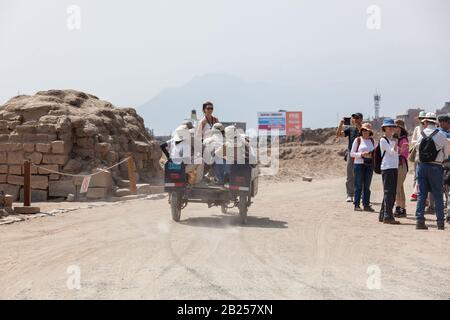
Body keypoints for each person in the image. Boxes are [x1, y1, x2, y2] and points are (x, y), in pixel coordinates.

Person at [415, 113, 448, 230]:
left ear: (426, 122)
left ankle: (419, 221)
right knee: (438, 194)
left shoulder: (421, 134)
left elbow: (417, 150)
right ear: (436, 122)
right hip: (436, 166)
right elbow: (447, 154)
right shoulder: (441, 135)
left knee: (421, 194)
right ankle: (440, 222)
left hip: (422, 166)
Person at [336, 113, 363, 203]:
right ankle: (350, 194)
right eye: (353, 118)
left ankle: (360, 194)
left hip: (361, 154)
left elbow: (363, 133)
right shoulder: (350, 129)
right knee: (350, 174)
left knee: (361, 175)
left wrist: (358, 125)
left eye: (357, 118)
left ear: (361, 119)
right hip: (351, 153)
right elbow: (339, 134)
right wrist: (340, 124)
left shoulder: (364, 128)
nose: (354, 119)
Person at [350, 123, 376, 212]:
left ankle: (366, 204)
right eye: (364, 130)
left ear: (370, 132)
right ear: (361, 131)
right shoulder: (357, 140)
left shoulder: (372, 141)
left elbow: (376, 153)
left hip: (369, 165)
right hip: (359, 165)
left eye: (367, 131)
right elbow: (351, 153)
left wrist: (371, 156)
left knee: (367, 186)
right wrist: (361, 154)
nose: (365, 132)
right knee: (358, 185)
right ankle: (356, 204)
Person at [379, 119, 401, 225]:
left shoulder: (392, 140)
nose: (391, 129)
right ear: (384, 128)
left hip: (393, 167)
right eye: (389, 127)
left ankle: (383, 214)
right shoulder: (383, 140)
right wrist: (396, 143)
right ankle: (388, 216)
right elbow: (392, 152)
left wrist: (395, 142)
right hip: (387, 168)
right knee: (389, 192)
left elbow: (397, 153)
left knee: (391, 192)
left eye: (392, 127)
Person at [410, 111, 427, 201]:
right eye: (421, 119)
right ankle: (415, 193)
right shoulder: (417, 129)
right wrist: (419, 143)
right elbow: (412, 141)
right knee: (416, 174)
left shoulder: (430, 128)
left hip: (428, 155)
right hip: (418, 154)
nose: (422, 120)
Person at [394, 119, 409, 218]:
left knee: (397, 187)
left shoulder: (403, 139)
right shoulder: (397, 139)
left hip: (401, 165)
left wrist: (394, 147)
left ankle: (398, 208)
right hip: (398, 165)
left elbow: (404, 153)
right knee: (400, 188)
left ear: (399, 128)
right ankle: (402, 209)